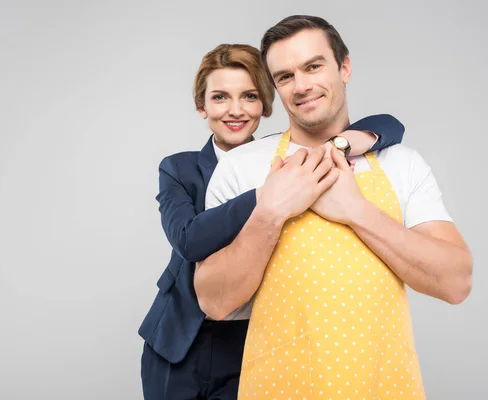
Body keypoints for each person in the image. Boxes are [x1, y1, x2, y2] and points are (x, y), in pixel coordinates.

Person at [197, 16, 473, 399]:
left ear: (344, 67)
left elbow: (456, 282)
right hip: (278, 388)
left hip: (383, 387)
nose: (302, 85)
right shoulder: (240, 167)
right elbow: (214, 301)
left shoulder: (401, 163)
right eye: (285, 76)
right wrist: (270, 212)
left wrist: (356, 210)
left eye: (313, 66)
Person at [139, 43, 406, 400]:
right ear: (202, 107)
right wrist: (269, 194)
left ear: (266, 104)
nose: (235, 110)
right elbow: (188, 240)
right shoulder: (179, 168)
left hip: (254, 340)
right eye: (220, 97)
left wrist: (341, 143)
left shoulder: (283, 157)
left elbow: (390, 125)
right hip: (178, 341)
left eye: (249, 96)